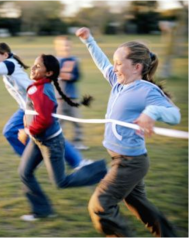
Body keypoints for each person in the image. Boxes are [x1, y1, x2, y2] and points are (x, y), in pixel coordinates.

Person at [76, 27, 180, 237]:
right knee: (140, 206)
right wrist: (89, 41)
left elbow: (174, 115)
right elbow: (103, 63)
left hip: (130, 162)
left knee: (100, 205)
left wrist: (151, 112)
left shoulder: (146, 90)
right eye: (115, 63)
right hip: (120, 157)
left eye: (119, 63)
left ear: (137, 67)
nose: (114, 68)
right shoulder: (118, 82)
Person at [0, 42, 93, 169]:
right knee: (10, 131)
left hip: (37, 104)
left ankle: (78, 162)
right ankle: (32, 159)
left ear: (5, 55)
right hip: (26, 107)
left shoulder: (9, 64)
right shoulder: (8, 64)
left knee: (53, 135)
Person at [18, 54, 107, 222]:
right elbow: (32, 112)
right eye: (34, 64)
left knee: (61, 182)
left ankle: (101, 171)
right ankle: (42, 210)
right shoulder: (35, 87)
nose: (33, 68)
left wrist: (27, 131)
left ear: (49, 73)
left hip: (51, 143)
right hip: (38, 140)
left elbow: (45, 119)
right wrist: (26, 122)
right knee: (24, 172)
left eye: (38, 66)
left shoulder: (43, 90)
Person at [54, 36, 90, 150]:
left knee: (77, 120)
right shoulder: (55, 61)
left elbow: (78, 76)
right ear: (57, 47)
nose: (66, 47)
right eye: (63, 45)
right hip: (59, 97)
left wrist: (71, 76)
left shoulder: (75, 60)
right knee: (59, 122)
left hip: (72, 96)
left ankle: (78, 142)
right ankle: (60, 143)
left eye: (68, 45)